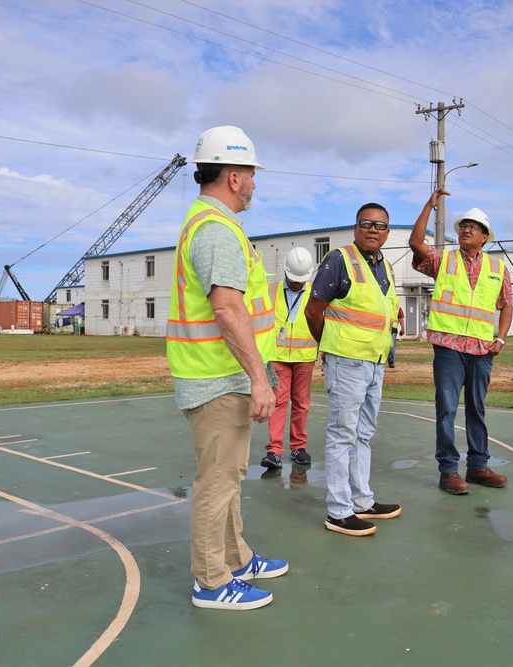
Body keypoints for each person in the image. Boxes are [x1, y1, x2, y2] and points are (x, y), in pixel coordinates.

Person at [165, 126, 287, 610]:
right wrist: (260, 378)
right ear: (234, 177)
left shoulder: (212, 225)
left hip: (222, 376)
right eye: (252, 176)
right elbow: (228, 309)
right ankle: (211, 581)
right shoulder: (216, 231)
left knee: (230, 475)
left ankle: (236, 558)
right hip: (216, 378)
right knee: (217, 481)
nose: (255, 185)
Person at [304, 203, 402, 537]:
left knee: (363, 434)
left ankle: (362, 500)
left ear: (388, 232)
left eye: (381, 225)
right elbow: (313, 310)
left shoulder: (384, 265)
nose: (374, 229)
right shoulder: (339, 260)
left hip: (374, 363)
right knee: (342, 435)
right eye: (367, 223)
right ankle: (338, 511)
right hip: (346, 361)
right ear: (355, 227)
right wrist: (329, 347)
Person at [409, 188, 513, 495]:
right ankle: (449, 471)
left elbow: (506, 304)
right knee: (447, 408)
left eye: (474, 227)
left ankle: (478, 466)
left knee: (477, 408)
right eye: (463, 225)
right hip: (449, 346)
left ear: (484, 236)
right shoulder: (444, 260)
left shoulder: (497, 267)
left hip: (482, 349)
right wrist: (429, 205)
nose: (466, 229)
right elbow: (416, 244)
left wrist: (501, 340)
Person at [261, 247, 317, 470]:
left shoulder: (315, 292)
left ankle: (298, 448)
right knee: (278, 402)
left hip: (305, 356)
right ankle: (274, 451)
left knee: (301, 404)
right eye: (294, 280)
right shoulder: (270, 290)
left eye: (301, 280)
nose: (297, 284)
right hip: (278, 357)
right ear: (285, 271)